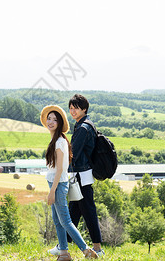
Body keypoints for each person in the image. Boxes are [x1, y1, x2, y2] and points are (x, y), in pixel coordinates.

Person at [49, 95, 104, 257]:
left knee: (88, 211)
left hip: (80, 176)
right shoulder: (87, 124)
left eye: (76, 108)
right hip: (81, 174)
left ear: (84, 109)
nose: (72, 111)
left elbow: (73, 153)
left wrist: (60, 166)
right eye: (71, 108)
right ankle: (63, 246)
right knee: (74, 211)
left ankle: (98, 249)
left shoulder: (82, 128)